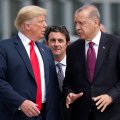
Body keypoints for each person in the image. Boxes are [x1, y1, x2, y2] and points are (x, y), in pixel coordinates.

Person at [0, 5, 63, 120]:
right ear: (27, 25)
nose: (45, 25)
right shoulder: (4, 48)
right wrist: (20, 102)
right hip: (17, 114)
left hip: (46, 114)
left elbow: (52, 85)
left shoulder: (46, 50)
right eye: (41, 21)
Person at [63, 4, 120, 120]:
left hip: (110, 113)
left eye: (82, 23)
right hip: (81, 114)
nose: (77, 27)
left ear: (95, 22)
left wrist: (111, 96)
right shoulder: (72, 49)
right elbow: (67, 82)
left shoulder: (116, 44)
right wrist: (69, 93)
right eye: (76, 23)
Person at [45, 25, 71, 120]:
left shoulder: (77, 64)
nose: (56, 44)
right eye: (52, 40)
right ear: (46, 43)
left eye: (60, 40)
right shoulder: (41, 67)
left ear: (67, 43)